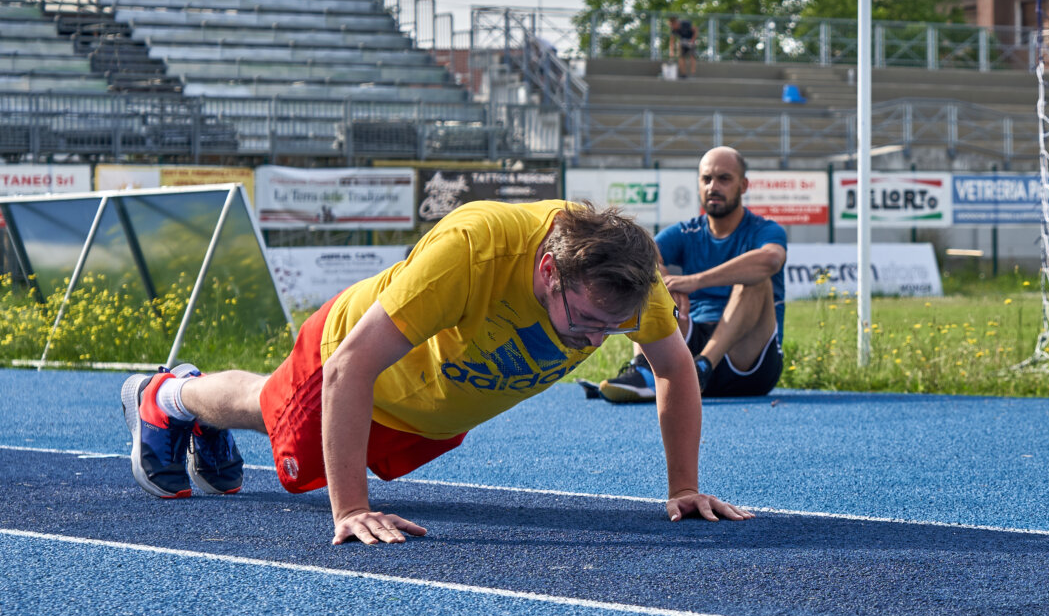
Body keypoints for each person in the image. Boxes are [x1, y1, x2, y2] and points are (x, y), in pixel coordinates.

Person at [119, 200, 751, 544]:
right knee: (272, 409)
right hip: (347, 360)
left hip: (433, 398)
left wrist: (682, 488)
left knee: (270, 411)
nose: (593, 341)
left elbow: (674, 370)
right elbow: (349, 369)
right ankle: (165, 397)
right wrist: (351, 509)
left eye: (610, 331)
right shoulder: (475, 248)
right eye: (584, 321)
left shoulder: (631, 286)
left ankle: (194, 413)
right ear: (549, 271)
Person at [600, 146, 787, 402]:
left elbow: (771, 259)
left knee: (756, 277)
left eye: (724, 178)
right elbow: (643, 252)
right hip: (692, 338)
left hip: (748, 359)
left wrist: (694, 282)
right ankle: (645, 370)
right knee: (646, 275)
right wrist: (665, 277)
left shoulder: (764, 229)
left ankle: (703, 366)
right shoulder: (687, 231)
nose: (713, 186)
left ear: (743, 186)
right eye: (706, 179)